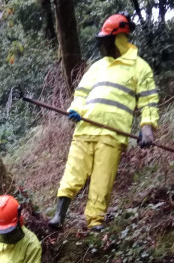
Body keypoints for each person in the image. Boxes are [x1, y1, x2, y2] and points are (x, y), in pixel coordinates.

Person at [49, 12, 159, 232]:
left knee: (103, 178)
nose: (103, 46)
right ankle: (59, 215)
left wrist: (147, 128)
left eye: (106, 41)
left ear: (119, 38)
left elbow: (148, 101)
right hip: (85, 128)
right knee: (73, 172)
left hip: (113, 133)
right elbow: (81, 94)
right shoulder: (97, 67)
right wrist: (75, 110)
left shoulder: (140, 67)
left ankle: (95, 221)